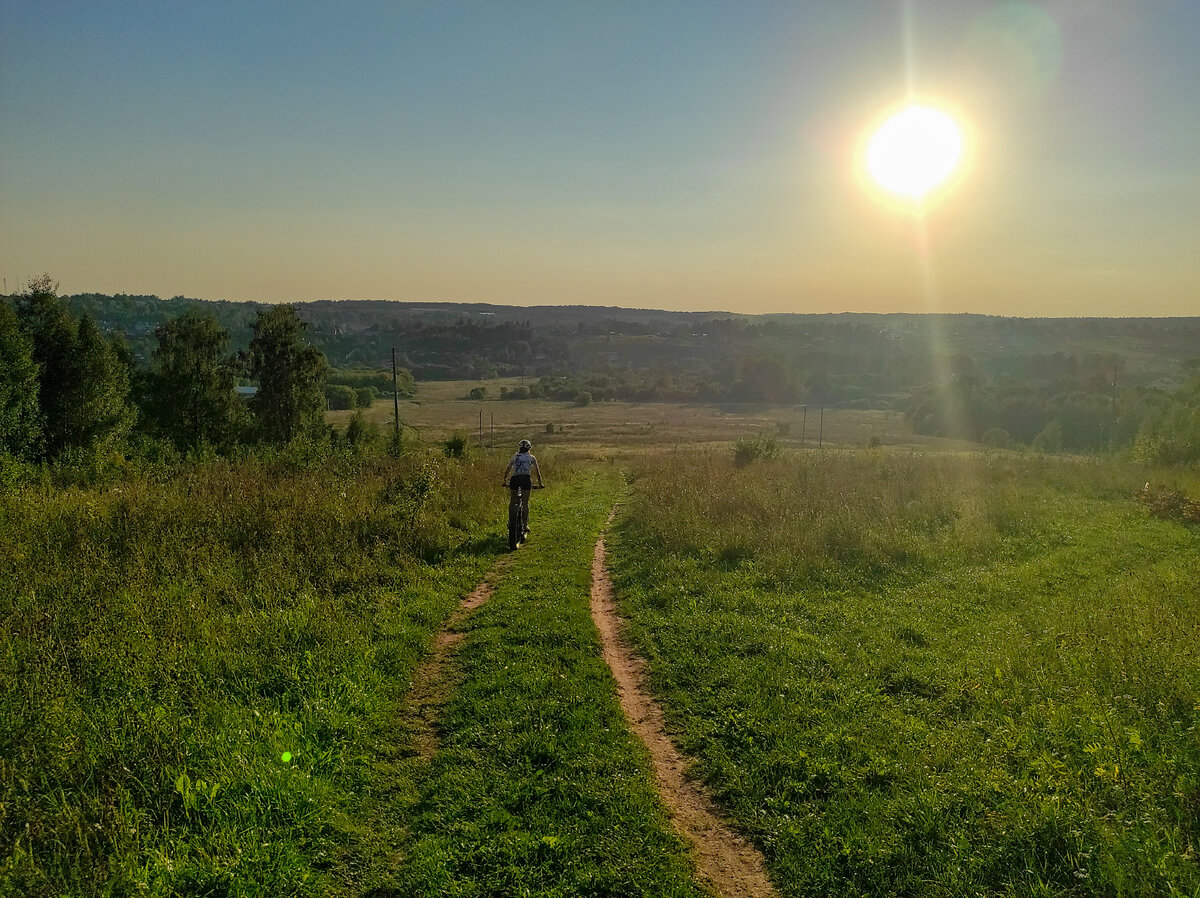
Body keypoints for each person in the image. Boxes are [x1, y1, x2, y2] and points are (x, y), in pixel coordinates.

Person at [502, 439, 544, 535]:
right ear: (529, 448)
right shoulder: (532, 457)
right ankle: (525, 524)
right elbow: (537, 472)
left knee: (512, 501)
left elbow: (508, 468)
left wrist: (504, 481)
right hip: (525, 479)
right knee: (525, 502)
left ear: (519, 448)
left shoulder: (515, 457)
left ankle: (510, 521)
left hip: (515, 479)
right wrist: (540, 484)